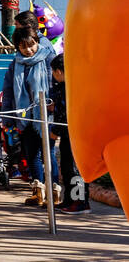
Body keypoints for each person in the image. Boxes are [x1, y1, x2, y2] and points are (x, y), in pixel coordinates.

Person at [0, 26, 54, 206]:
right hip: (25, 117)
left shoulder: (48, 59)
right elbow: (7, 91)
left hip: (47, 115)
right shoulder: (15, 64)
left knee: (49, 153)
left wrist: (57, 108)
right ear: (17, 47)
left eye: (31, 45)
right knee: (32, 155)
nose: (28, 50)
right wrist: (7, 118)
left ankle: (53, 191)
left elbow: (57, 85)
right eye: (23, 47)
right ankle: (38, 191)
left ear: (37, 42)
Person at [48, 55, 88, 213]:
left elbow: (64, 114)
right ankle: (69, 199)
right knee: (66, 167)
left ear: (58, 71)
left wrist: (55, 131)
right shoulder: (63, 86)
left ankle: (80, 202)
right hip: (67, 135)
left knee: (74, 168)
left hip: (75, 134)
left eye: (53, 71)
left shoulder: (70, 88)